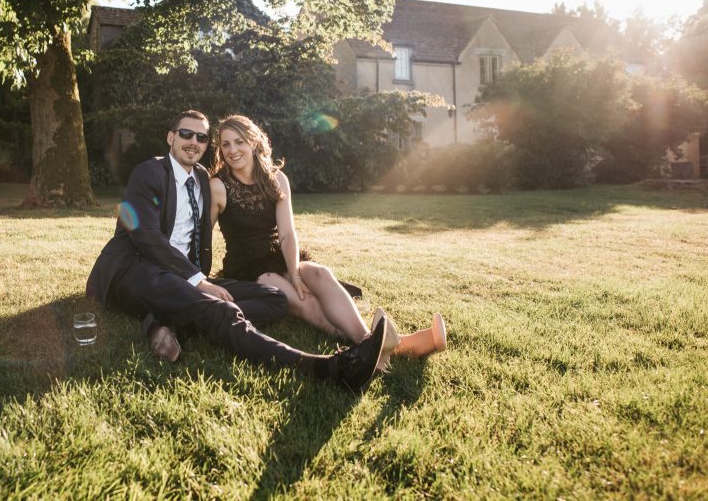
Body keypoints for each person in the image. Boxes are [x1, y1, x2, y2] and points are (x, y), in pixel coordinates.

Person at [86, 110, 387, 391]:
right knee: (221, 309)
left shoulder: (203, 178)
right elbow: (145, 235)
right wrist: (199, 281)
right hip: (135, 267)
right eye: (185, 134)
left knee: (276, 300)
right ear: (171, 137)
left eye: (201, 137)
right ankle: (326, 369)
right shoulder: (149, 172)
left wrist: (199, 278)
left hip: (181, 275)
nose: (193, 142)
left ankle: (171, 320)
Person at [209, 114, 446, 372]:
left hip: (279, 253)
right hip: (248, 267)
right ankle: (385, 345)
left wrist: (296, 274)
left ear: (254, 142)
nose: (232, 150)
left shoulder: (276, 179)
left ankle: (372, 343)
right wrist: (199, 278)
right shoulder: (218, 186)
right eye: (225, 144)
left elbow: (287, 232)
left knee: (321, 274)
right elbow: (203, 236)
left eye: (239, 142)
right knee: (299, 300)